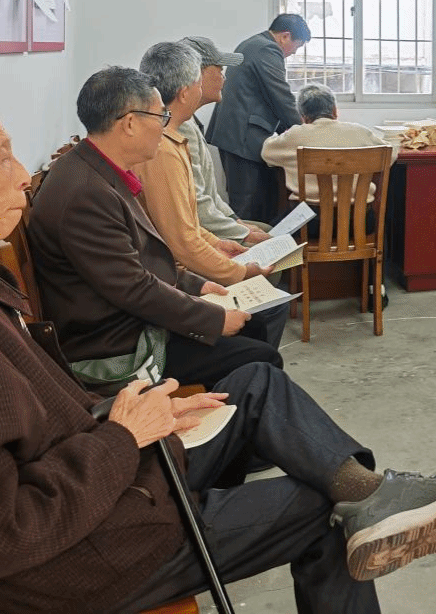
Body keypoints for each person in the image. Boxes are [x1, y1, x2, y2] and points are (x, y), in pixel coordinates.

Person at [0, 97, 436, 614]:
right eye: (0, 157)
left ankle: (371, 492)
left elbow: (49, 406)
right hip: (79, 554)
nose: (19, 176)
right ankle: (354, 502)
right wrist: (123, 434)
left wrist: (136, 415)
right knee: (320, 508)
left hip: (102, 476)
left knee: (254, 384)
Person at [29, 67, 283, 391]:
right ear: (130, 123)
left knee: (255, 327)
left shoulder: (95, 169)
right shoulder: (86, 193)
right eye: (160, 116)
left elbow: (135, 263)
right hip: (117, 343)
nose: (164, 126)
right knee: (259, 356)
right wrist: (213, 319)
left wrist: (197, 285)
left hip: (132, 318)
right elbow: (134, 288)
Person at [137, 42, 268, 287]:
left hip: (179, 256)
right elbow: (183, 241)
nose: (224, 78)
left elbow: (189, 218)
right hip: (167, 271)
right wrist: (239, 271)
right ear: (184, 92)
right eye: (199, 81)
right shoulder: (162, 147)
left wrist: (217, 242)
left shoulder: (172, 132)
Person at [206, 14, 311, 223]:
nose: (294, 53)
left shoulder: (252, 44)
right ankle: (242, 244)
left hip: (238, 135)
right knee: (247, 204)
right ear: (285, 36)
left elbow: (268, 98)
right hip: (243, 137)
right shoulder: (267, 49)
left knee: (258, 201)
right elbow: (280, 96)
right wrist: (306, 132)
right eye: (297, 46)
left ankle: (257, 241)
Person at [178, 35, 270, 246]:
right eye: (219, 69)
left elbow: (210, 195)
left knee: (267, 231)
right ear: (196, 74)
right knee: (267, 239)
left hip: (207, 225)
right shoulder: (180, 126)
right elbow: (197, 201)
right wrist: (242, 232)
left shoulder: (189, 120)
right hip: (200, 234)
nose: (224, 77)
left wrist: (235, 220)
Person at [262, 83, 397, 200]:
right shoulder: (360, 132)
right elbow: (391, 152)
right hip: (359, 217)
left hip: (309, 217)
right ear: (334, 111)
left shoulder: (294, 135)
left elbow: (266, 152)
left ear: (303, 116)